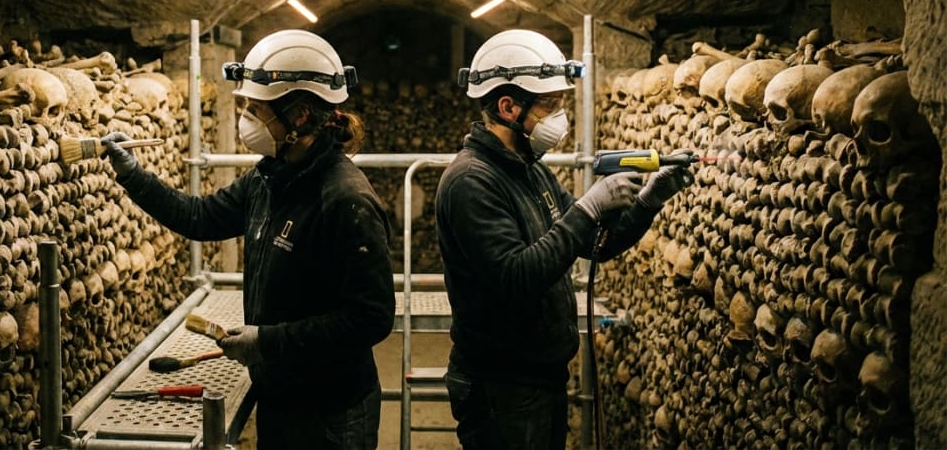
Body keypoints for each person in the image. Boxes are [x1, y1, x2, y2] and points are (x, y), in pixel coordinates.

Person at [101, 29, 395, 450]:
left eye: (257, 109)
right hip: (278, 397)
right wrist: (133, 175)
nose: (247, 120)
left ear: (300, 117)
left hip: (331, 413)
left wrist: (267, 341)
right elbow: (200, 217)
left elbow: (371, 318)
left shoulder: (346, 201)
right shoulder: (268, 177)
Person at [434, 29, 692, 450]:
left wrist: (649, 200)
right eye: (550, 105)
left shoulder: (528, 168)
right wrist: (587, 208)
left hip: (538, 377)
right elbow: (516, 277)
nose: (559, 117)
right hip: (502, 385)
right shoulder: (471, 182)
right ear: (508, 106)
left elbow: (593, 244)